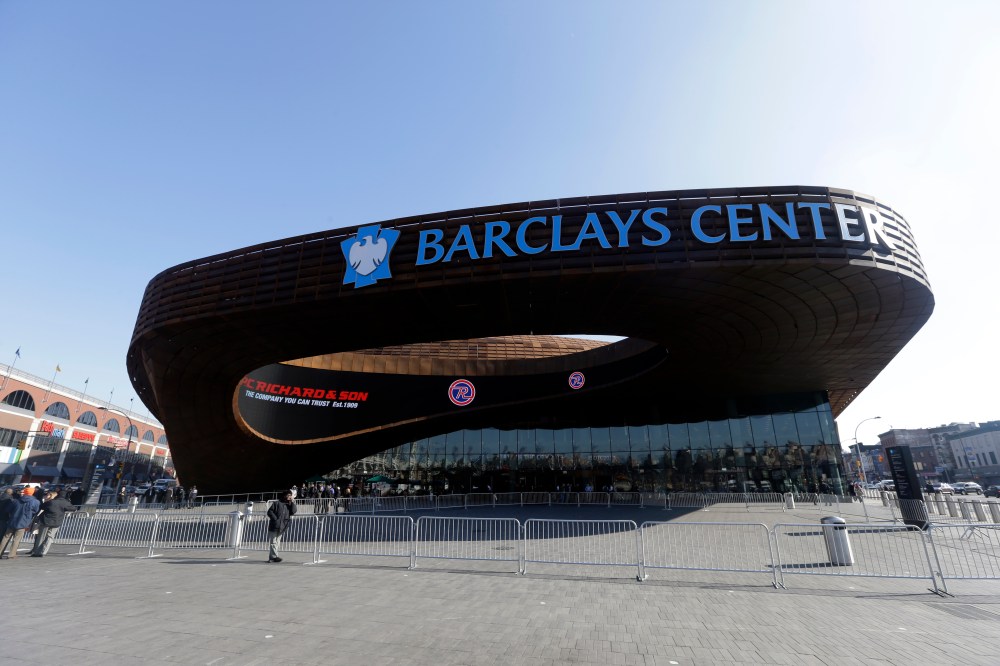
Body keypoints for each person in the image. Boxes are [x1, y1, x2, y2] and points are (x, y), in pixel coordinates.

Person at [30, 490, 77, 557]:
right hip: (57, 522)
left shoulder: (51, 502)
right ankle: (43, 552)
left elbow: (42, 507)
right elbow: (74, 508)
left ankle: (36, 552)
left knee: (41, 537)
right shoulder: (65, 503)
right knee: (50, 537)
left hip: (46, 520)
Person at [0, 487, 41, 559]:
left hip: (12, 521)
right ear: (32, 493)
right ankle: (11, 554)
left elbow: (8, 510)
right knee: (17, 539)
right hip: (24, 522)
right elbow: (35, 511)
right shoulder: (35, 502)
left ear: (24, 492)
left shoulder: (16, 501)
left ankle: (0, 552)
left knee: (6, 537)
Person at [266, 490, 297, 563]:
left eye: (290, 495)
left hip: (282, 526)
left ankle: (273, 557)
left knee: (277, 542)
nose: (289, 496)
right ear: (285, 495)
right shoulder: (277, 503)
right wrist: (275, 519)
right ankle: (274, 557)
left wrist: (292, 502)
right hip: (274, 525)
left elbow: (293, 511)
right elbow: (269, 511)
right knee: (273, 542)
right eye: (288, 495)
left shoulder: (289, 504)